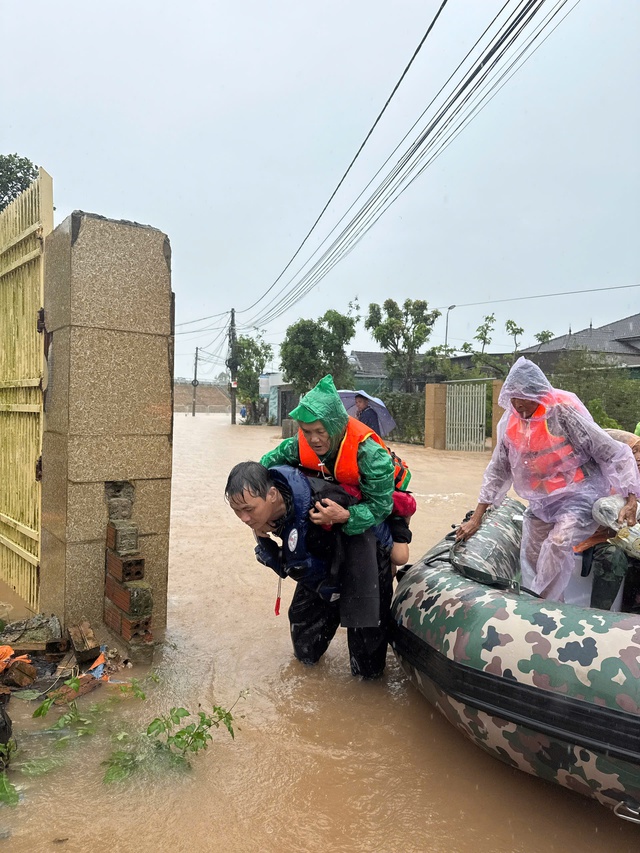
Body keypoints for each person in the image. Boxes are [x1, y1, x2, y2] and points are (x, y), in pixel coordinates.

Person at [456, 357, 640, 605]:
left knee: (558, 542)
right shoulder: (511, 422)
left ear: (538, 394)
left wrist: (631, 498)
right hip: (543, 501)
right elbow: (497, 470)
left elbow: (613, 452)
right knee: (532, 552)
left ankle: (543, 606)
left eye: (523, 398)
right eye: (513, 398)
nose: (518, 405)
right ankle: (548, 603)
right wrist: (477, 517)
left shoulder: (563, 414)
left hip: (580, 495)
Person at [225, 461, 390, 678]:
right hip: (318, 564)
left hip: (365, 559)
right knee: (304, 643)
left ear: (272, 494)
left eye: (248, 510)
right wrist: (267, 545)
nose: (244, 518)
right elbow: (292, 563)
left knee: (367, 667)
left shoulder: (322, 501)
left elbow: (372, 522)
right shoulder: (263, 516)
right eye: (237, 511)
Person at [261, 374, 413, 567]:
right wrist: (261, 512)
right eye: (307, 431)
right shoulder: (298, 444)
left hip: (387, 495)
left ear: (335, 427)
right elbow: (264, 466)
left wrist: (345, 516)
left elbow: (379, 507)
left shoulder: (371, 456)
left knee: (399, 557)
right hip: (347, 488)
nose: (313, 439)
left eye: (320, 432)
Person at [574, 429, 640, 610]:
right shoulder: (596, 478)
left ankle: (632, 613)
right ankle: (599, 614)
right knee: (613, 556)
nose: (638, 457)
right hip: (595, 540)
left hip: (630, 540)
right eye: (633, 451)